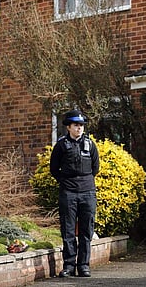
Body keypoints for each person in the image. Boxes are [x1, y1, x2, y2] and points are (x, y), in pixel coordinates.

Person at [50, 110, 100, 278]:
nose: (79, 128)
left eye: (81, 126)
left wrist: (84, 182)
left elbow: (95, 168)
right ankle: (69, 266)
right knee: (68, 231)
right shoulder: (61, 145)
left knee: (86, 231)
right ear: (69, 127)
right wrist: (66, 182)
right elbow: (54, 169)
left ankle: (84, 266)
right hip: (68, 192)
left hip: (87, 192)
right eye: (76, 125)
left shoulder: (90, 144)